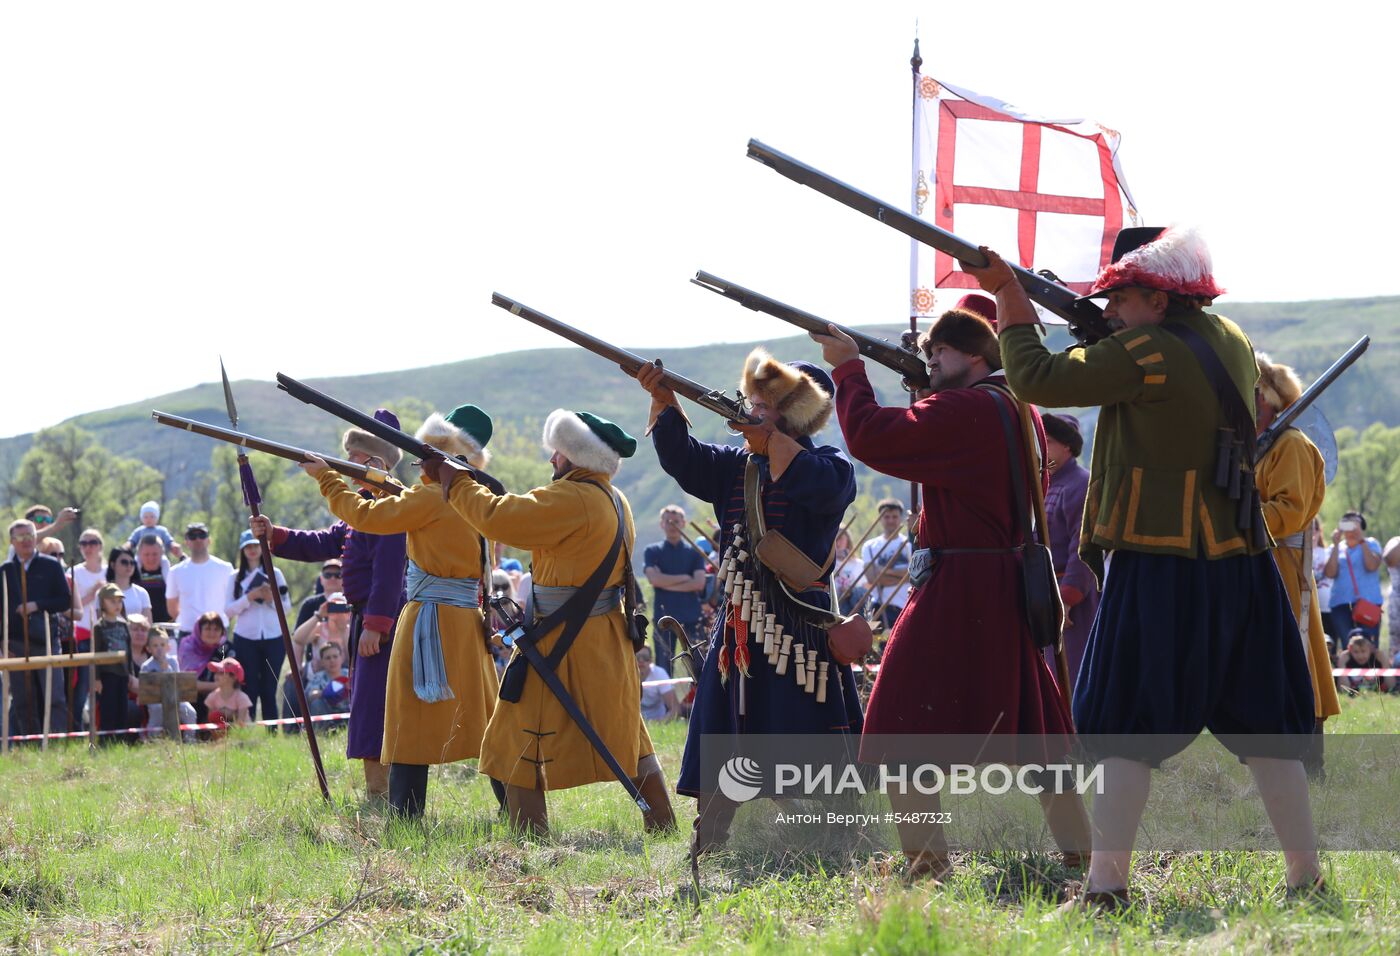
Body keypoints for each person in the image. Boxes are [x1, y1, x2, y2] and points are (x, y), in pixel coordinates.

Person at [978, 225, 1319, 907]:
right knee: (1266, 727)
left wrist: (1010, 299)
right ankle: (1305, 877)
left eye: (1122, 298)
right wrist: (1099, 329)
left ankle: (1107, 885)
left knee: (1122, 729)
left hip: (1161, 562)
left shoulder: (1148, 351)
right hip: (1240, 560)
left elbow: (1032, 378)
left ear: (1159, 300)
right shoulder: (1228, 338)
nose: (1110, 312)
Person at [809, 297, 1089, 882]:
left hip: (962, 583)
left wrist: (847, 369)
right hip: (992, 579)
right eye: (929, 351)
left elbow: (871, 437)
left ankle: (928, 864)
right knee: (1035, 731)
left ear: (977, 353)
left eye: (940, 351)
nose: (931, 360)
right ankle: (1080, 852)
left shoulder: (973, 410)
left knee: (896, 724)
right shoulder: (1012, 405)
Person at [637, 348, 861, 855]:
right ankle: (710, 837)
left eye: (764, 402)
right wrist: (665, 401)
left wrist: (772, 445)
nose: (751, 407)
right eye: (753, 400)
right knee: (724, 727)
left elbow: (822, 489)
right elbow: (683, 459)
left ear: (795, 413)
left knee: (804, 730)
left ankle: (832, 836)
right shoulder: (735, 463)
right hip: (741, 617)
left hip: (800, 623)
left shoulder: (829, 465)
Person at [433, 407, 675, 837]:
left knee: (512, 737)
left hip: (565, 641)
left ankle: (530, 837)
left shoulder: (574, 498)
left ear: (576, 456)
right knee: (624, 733)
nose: (551, 461)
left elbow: (500, 518)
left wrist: (457, 484)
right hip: (597, 638)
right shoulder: (611, 497)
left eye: (558, 453)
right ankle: (662, 823)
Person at [299, 404, 499, 820]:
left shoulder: (431, 496)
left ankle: (406, 817)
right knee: (487, 719)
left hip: (431, 618)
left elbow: (364, 515)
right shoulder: (477, 494)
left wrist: (329, 480)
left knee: (409, 723)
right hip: (465, 619)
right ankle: (516, 807)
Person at [254, 407, 409, 804]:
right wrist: (276, 535)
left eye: (354, 460)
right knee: (368, 706)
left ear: (376, 462)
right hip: (368, 620)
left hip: (383, 621)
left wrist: (376, 624)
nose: (349, 467)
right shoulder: (360, 505)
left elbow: (390, 574)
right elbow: (325, 542)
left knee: (377, 708)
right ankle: (379, 791)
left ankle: (385, 794)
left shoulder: (391, 503)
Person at [1253, 354, 1342, 772]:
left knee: (1296, 659)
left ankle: (1307, 763)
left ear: (1267, 398)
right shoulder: (1253, 446)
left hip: (1282, 567)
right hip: (1255, 564)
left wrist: (1233, 514)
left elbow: (1287, 512)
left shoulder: (1290, 445)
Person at [1040, 413, 1099, 690]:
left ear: (1067, 446)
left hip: (1074, 604)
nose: (1042, 448)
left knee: (1073, 677)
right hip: (1045, 599)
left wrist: (1066, 599)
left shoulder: (1080, 484)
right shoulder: (1043, 485)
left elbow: (1083, 548)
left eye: (1048, 441)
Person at [2, 519, 71, 736]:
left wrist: (37, 605)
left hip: (47, 640)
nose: (26, 541)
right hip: (15, 643)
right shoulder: (5, 570)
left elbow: (64, 600)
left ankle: (58, 742)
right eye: (21, 537)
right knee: (23, 700)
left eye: (30, 535)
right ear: (12, 541)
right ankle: (28, 744)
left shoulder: (51, 565)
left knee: (55, 697)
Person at [224, 529, 292, 722]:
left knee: (270, 688)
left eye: (255, 545)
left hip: (274, 638)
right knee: (250, 686)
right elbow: (228, 611)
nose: (252, 550)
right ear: (242, 550)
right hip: (245, 638)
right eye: (248, 547)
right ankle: (248, 728)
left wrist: (271, 598)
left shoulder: (275, 573)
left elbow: (286, 608)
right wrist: (250, 597)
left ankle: (271, 731)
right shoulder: (234, 577)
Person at [643, 505, 708, 670]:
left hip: (693, 618)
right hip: (663, 619)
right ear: (661, 524)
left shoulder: (695, 552)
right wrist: (686, 578)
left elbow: (699, 583)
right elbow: (654, 579)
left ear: (683, 523)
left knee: (700, 666)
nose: (672, 525)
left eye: (676, 521)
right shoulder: (652, 551)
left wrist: (665, 582)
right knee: (664, 667)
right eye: (668, 521)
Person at [1323, 511, 1383, 644]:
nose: (1351, 528)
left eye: (1355, 523)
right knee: (1348, 646)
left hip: (1369, 604)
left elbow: (1372, 566)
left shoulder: (1372, 543)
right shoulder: (1335, 548)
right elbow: (1330, 573)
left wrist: (1361, 541)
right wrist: (1336, 544)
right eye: (1347, 523)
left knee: (1370, 647)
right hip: (1341, 606)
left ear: (1362, 526)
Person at [68, 528, 108, 730]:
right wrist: (92, 593)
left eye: (92, 542)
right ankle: (77, 730)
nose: (87, 547)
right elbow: (71, 608)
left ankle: (104, 728)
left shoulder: (109, 571)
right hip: (83, 634)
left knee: (105, 685)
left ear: (100, 545)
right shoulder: (74, 573)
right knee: (82, 687)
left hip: (106, 635)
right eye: (83, 543)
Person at [167, 523, 233, 640]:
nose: (197, 539)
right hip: (188, 633)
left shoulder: (225, 568)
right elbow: (172, 605)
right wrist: (189, 621)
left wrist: (218, 623)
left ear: (209, 540)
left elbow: (232, 602)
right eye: (192, 536)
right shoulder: (175, 571)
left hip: (218, 633)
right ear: (186, 542)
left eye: (202, 535)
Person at [858, 499, 912, 633]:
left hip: (908, 603)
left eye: (894, 516)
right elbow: (872, 578)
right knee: (880, 645)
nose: (891, 520)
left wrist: (884, 571)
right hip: (881, 607)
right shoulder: (870, 546)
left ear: (901, 518)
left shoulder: (910, 544)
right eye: (886, 517)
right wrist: (904, 576)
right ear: (880, 519)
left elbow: (914, 575)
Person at [91, 583, 134, 739]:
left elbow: (128, 651)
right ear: (102, 603)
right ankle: (106, 740)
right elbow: (95, 655)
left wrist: (131, 674)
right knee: (108, 708)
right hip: (107, 675)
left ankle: (121, 740)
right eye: (112, 601)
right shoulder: (98, 627)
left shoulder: (124, 625)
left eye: (119, 601)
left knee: (122, 708)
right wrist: (96, 679)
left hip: (122, 674)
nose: (117, 605)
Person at [140, 628, 196, 740]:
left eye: (162, 645)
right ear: (149, 649)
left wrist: (167, 668)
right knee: (157, 711)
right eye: (155, 646)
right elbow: (146, 688)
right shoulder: (146, 666)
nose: (159, 649)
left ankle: (189, 738)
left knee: (190, 711)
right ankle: (153, 739)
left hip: (175, 698)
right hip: (155, 701)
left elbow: (177, 682)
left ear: (168, 647)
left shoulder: (173, 662)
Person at [178, 611, 232, 721]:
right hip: (191, 699)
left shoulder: (227, 649)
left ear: (222, 632)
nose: (212, 633)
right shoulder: (188, 647)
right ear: (199, 631)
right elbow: (186, 683)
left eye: (216, 629)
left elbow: (232, 681)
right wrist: (215, 686)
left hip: (221, 699)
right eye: (207, 629)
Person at [105, 545, 153, 621]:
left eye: (132, 562)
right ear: (112, 565)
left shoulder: (142, 593)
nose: (129, 565)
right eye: (124, 562)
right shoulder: (103, 593)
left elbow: (148, 625)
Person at [306, 643, 351, 719]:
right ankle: (319, 730)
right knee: (316, 703)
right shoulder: (318, 677)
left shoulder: (350, 674)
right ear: (322, 662)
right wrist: (325, 693)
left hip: (349, 713)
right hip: (327, 714)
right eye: (328, 658)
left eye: (335, 656)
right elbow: (311, 695)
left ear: (342, 658)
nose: (332, 660)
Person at [134, 534, 171, 624]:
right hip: (140, 627)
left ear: (162, 553)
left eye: (155, 554)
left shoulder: (170, 574)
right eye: (146, 554)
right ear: (139, 554)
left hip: (166, 625)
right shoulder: (132, 575)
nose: (151, 558)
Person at [637, 646, 681, 721]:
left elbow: (675, 709)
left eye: (645, 657)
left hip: (657, 722)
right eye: (637, 657)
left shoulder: (660, 674)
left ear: (651, 660)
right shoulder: (625, 675)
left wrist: (659, 723)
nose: (641, 660)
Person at [205, 658, 253, 727]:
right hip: (220, 733)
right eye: (216, 672)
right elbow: (211, 722)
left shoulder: (241, 697)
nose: (216, 676)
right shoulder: (212, 697)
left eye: (221, 673)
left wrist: (231, 715)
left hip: (241, 734)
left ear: (234, 677)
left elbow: (241, 724)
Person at [832, 528, 865, 616]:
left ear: (847, 540)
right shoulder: (827, 564)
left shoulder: (859, 564)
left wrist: (851, 591)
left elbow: (866, 587)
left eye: (840, 538)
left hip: (854, 608)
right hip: (834, 607)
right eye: (834, 539)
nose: (837, 543)